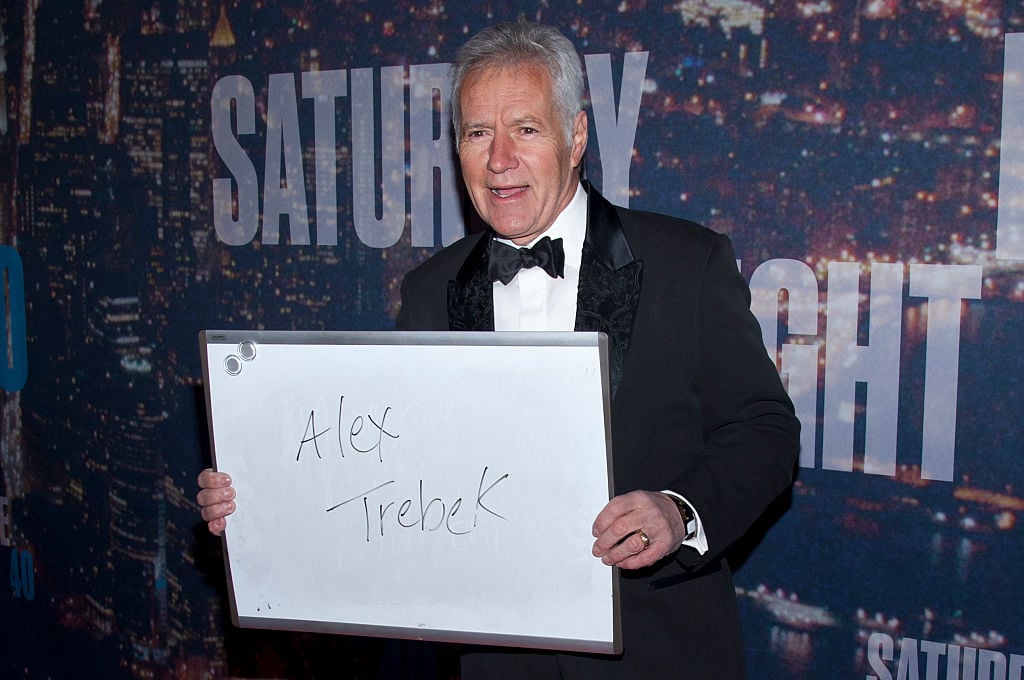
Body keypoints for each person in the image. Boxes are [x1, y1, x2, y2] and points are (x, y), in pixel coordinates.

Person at [198, 21, 800, 679]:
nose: (499, 159)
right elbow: (392, 477)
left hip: (661, 654)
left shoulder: (686, 264)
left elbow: (765, 432)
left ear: (575, 138)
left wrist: (679, 511)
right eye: (477, 133)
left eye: (526, 129)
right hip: (497, 664)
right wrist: (265, 504)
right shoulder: (429, 292)